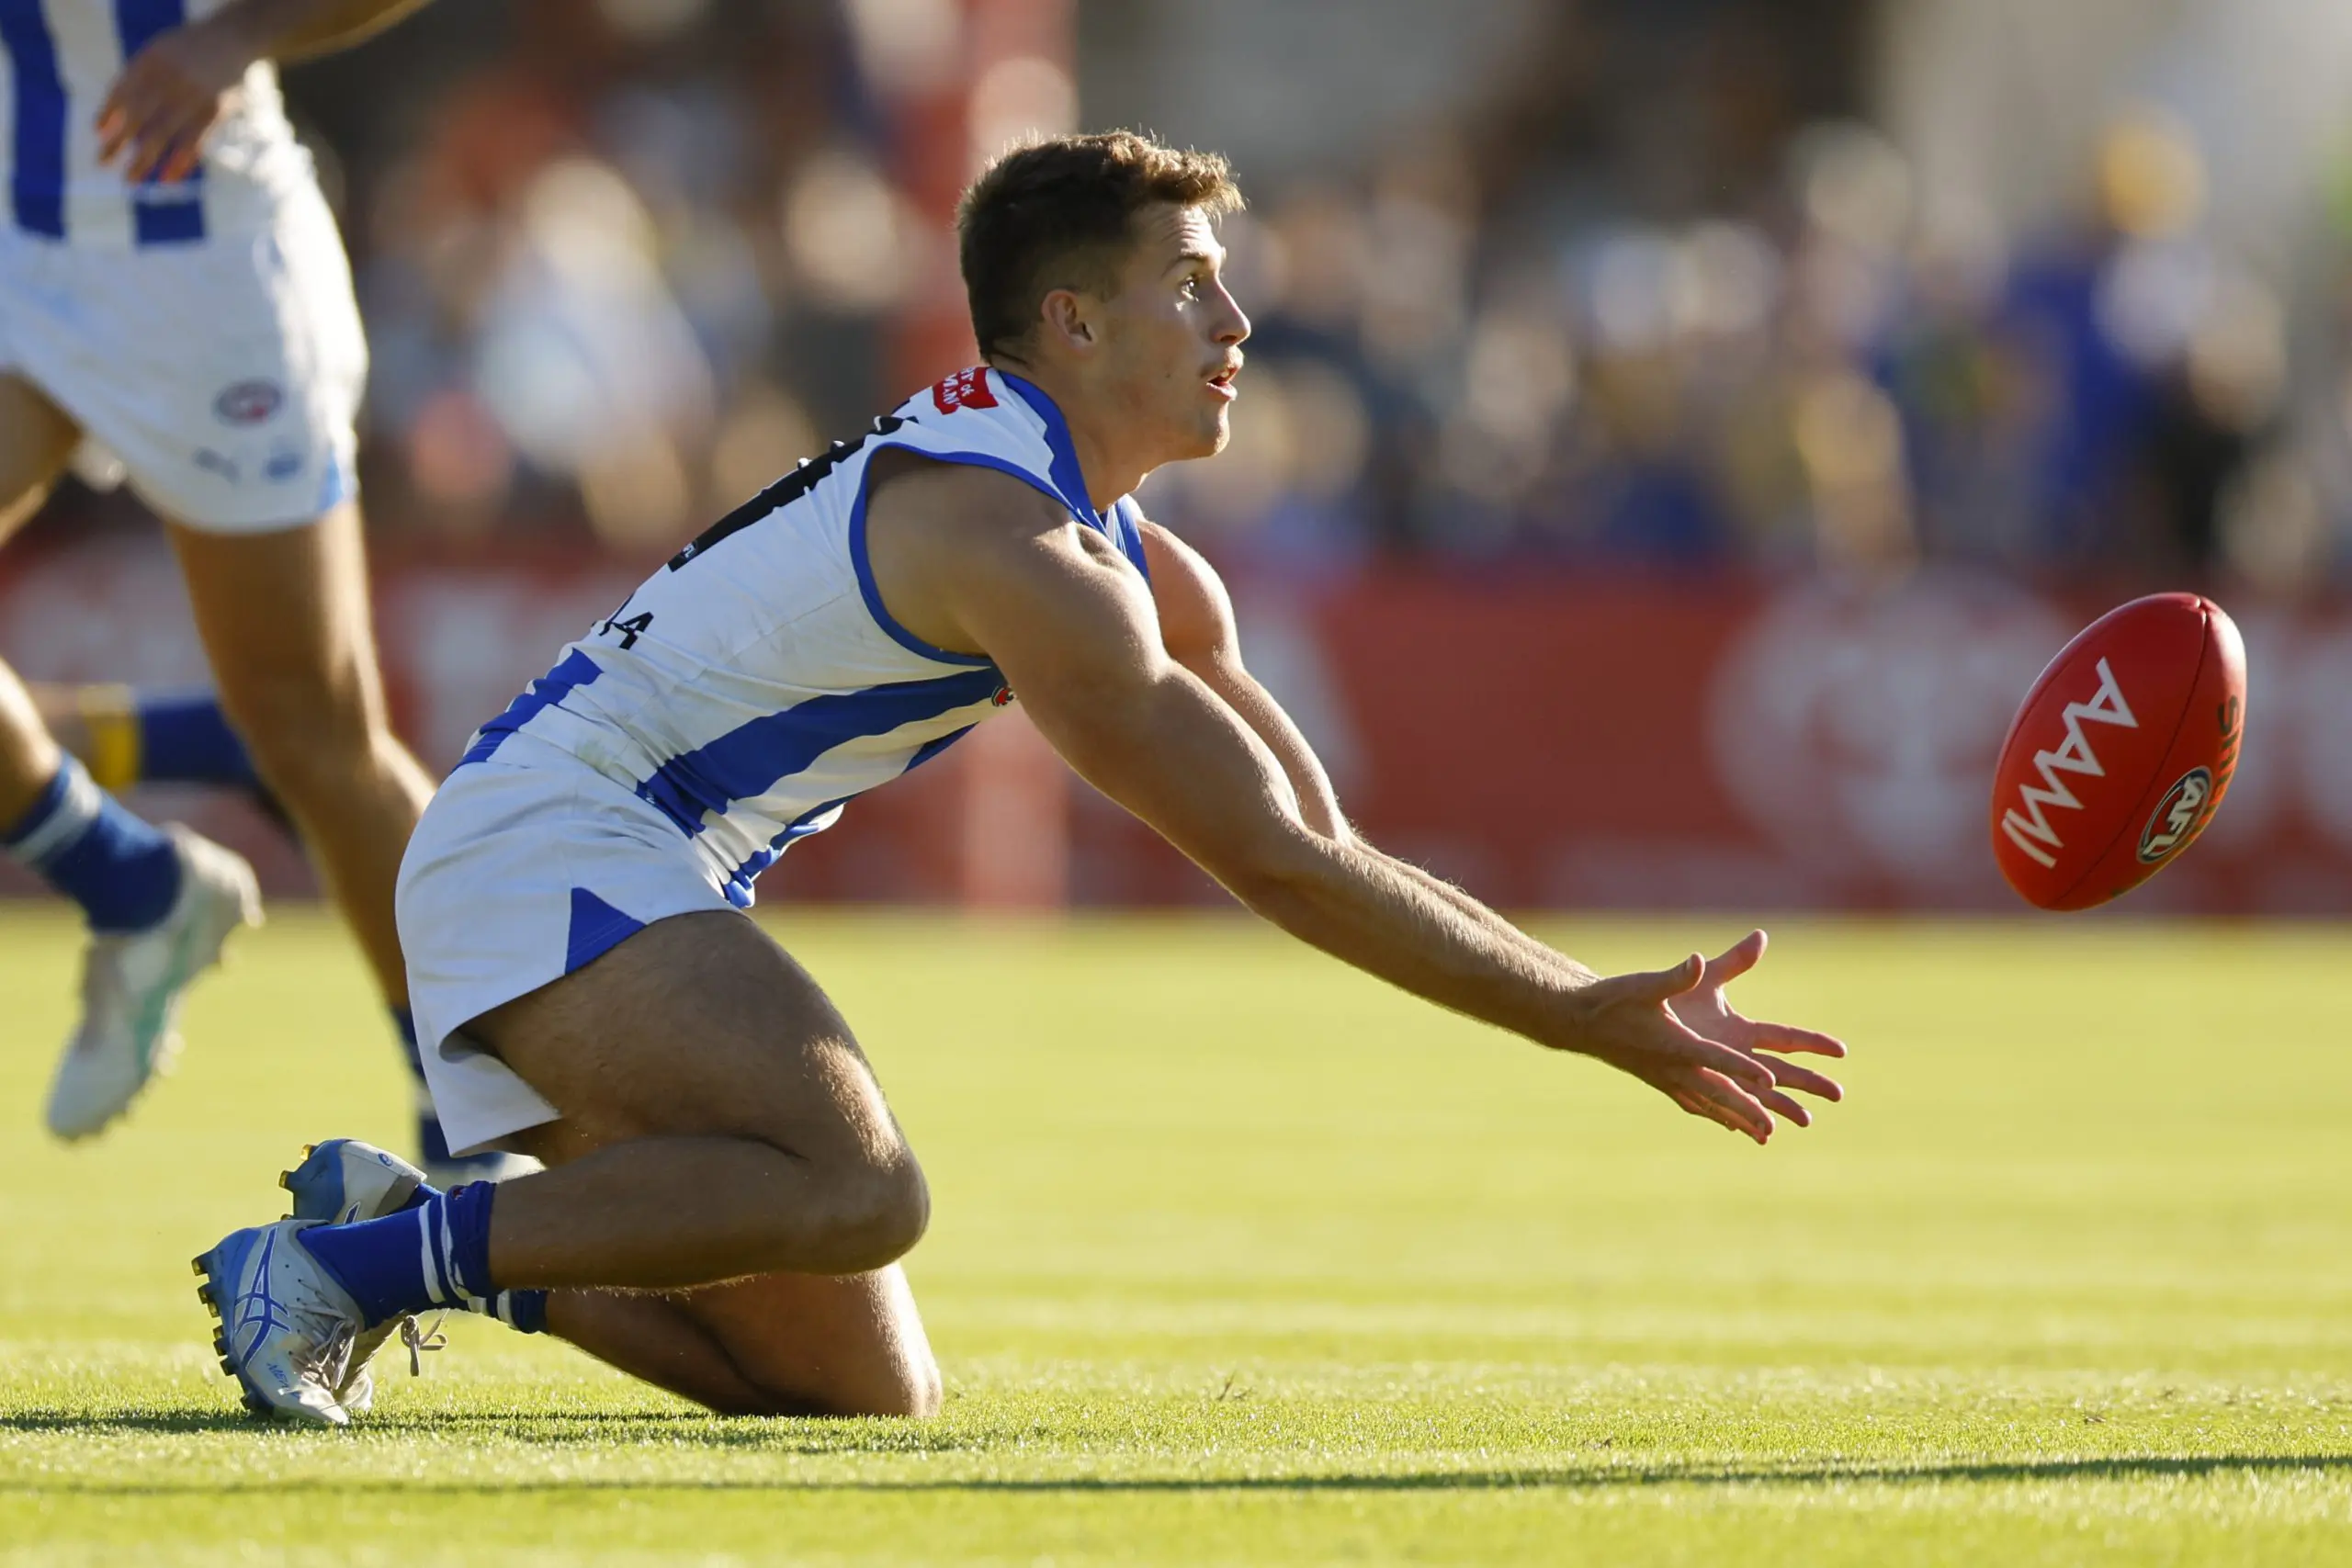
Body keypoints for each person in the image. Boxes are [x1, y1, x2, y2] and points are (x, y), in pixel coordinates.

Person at [194, 131, 1849, 1426]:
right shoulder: (1023, 548)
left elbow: (1318, 836)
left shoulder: (1121, 556)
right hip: (555, 844)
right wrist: (1579, 1014)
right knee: (863, 1187)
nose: (1237, 324)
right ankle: (336, 1270)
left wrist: (1579, 1000)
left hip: (598, 854)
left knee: (858, 1389)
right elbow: (1274, 867)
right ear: (1072, 317)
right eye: (1194, 283)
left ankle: (406, 1239)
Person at [0, 0, 519, 1180]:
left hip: (211, 273)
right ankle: (127, 880)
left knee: (315, 734)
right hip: (26, 251)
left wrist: (233, 37)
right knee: (303, 733)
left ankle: (475, 1113)